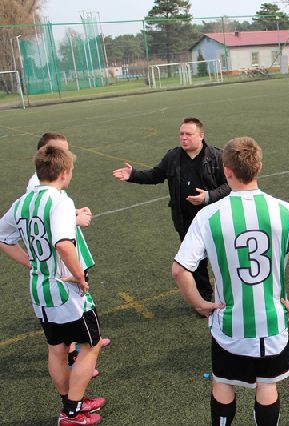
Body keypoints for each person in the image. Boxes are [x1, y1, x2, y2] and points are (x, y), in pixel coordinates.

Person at [172, 137, 289, 426]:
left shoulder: (209, 215)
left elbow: (179, 270)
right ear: (259, 167)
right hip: (272, 322)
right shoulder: (283, 210)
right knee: (267, 385)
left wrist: (199, 303)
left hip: (231, 324)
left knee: (223, 382)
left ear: (226, 171)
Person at [0, 145, 107, 425]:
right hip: (64, 290)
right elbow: (63, 244)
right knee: (91, 345)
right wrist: (80, 276)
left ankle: (72, 403)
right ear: (64, 172)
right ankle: (72, 412)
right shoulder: (60, 201)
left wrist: (31, 263)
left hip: (39, 290)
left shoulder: (22, 202)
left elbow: (3, 237)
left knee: (57, 348)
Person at [113, 117, 230, 302]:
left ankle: (230, 297)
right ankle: (205, 301)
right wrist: (133, 175)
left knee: (223, 259)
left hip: (215, 220)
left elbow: (230, 185)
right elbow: (156, 175)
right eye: (181, 134)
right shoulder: (173, 157)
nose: (184, 138)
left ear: (201, 135)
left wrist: (208, 196)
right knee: (196, 263)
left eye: (188, 134)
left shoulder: (217, 157)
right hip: (185, 221)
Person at [28, 133, 101, 378]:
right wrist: (75, 219)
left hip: (61, 263)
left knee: (67, 326)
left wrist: (74, 213)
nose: (66, 156)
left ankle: (80, 345)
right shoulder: (38, 186)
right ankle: (79, 353)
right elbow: (48, 224)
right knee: (72, 322)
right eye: (60, 151)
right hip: (60, 267)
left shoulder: (49, 188)